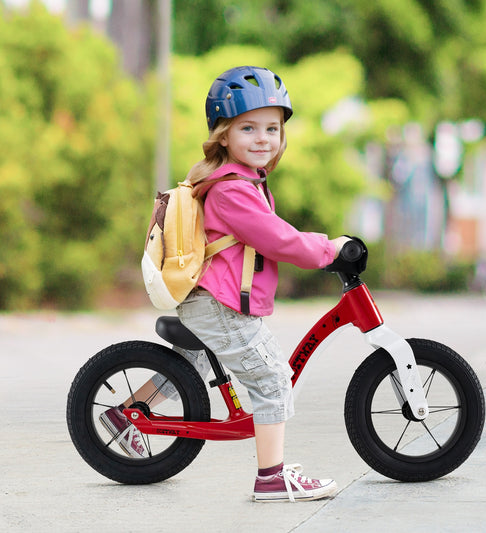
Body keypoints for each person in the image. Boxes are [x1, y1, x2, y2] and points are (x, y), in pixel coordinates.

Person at [99, 66, 350, 502]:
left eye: (272, 128)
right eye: (248, 128)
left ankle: (124, 417)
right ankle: (271, 477)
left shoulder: (241, 181)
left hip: (208, 300)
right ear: (223, 135)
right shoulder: (232, 189)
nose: (262, 138)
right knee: (273, 379)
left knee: (188, 366)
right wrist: (330, 249)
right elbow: (277, 238)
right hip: (218, 304)